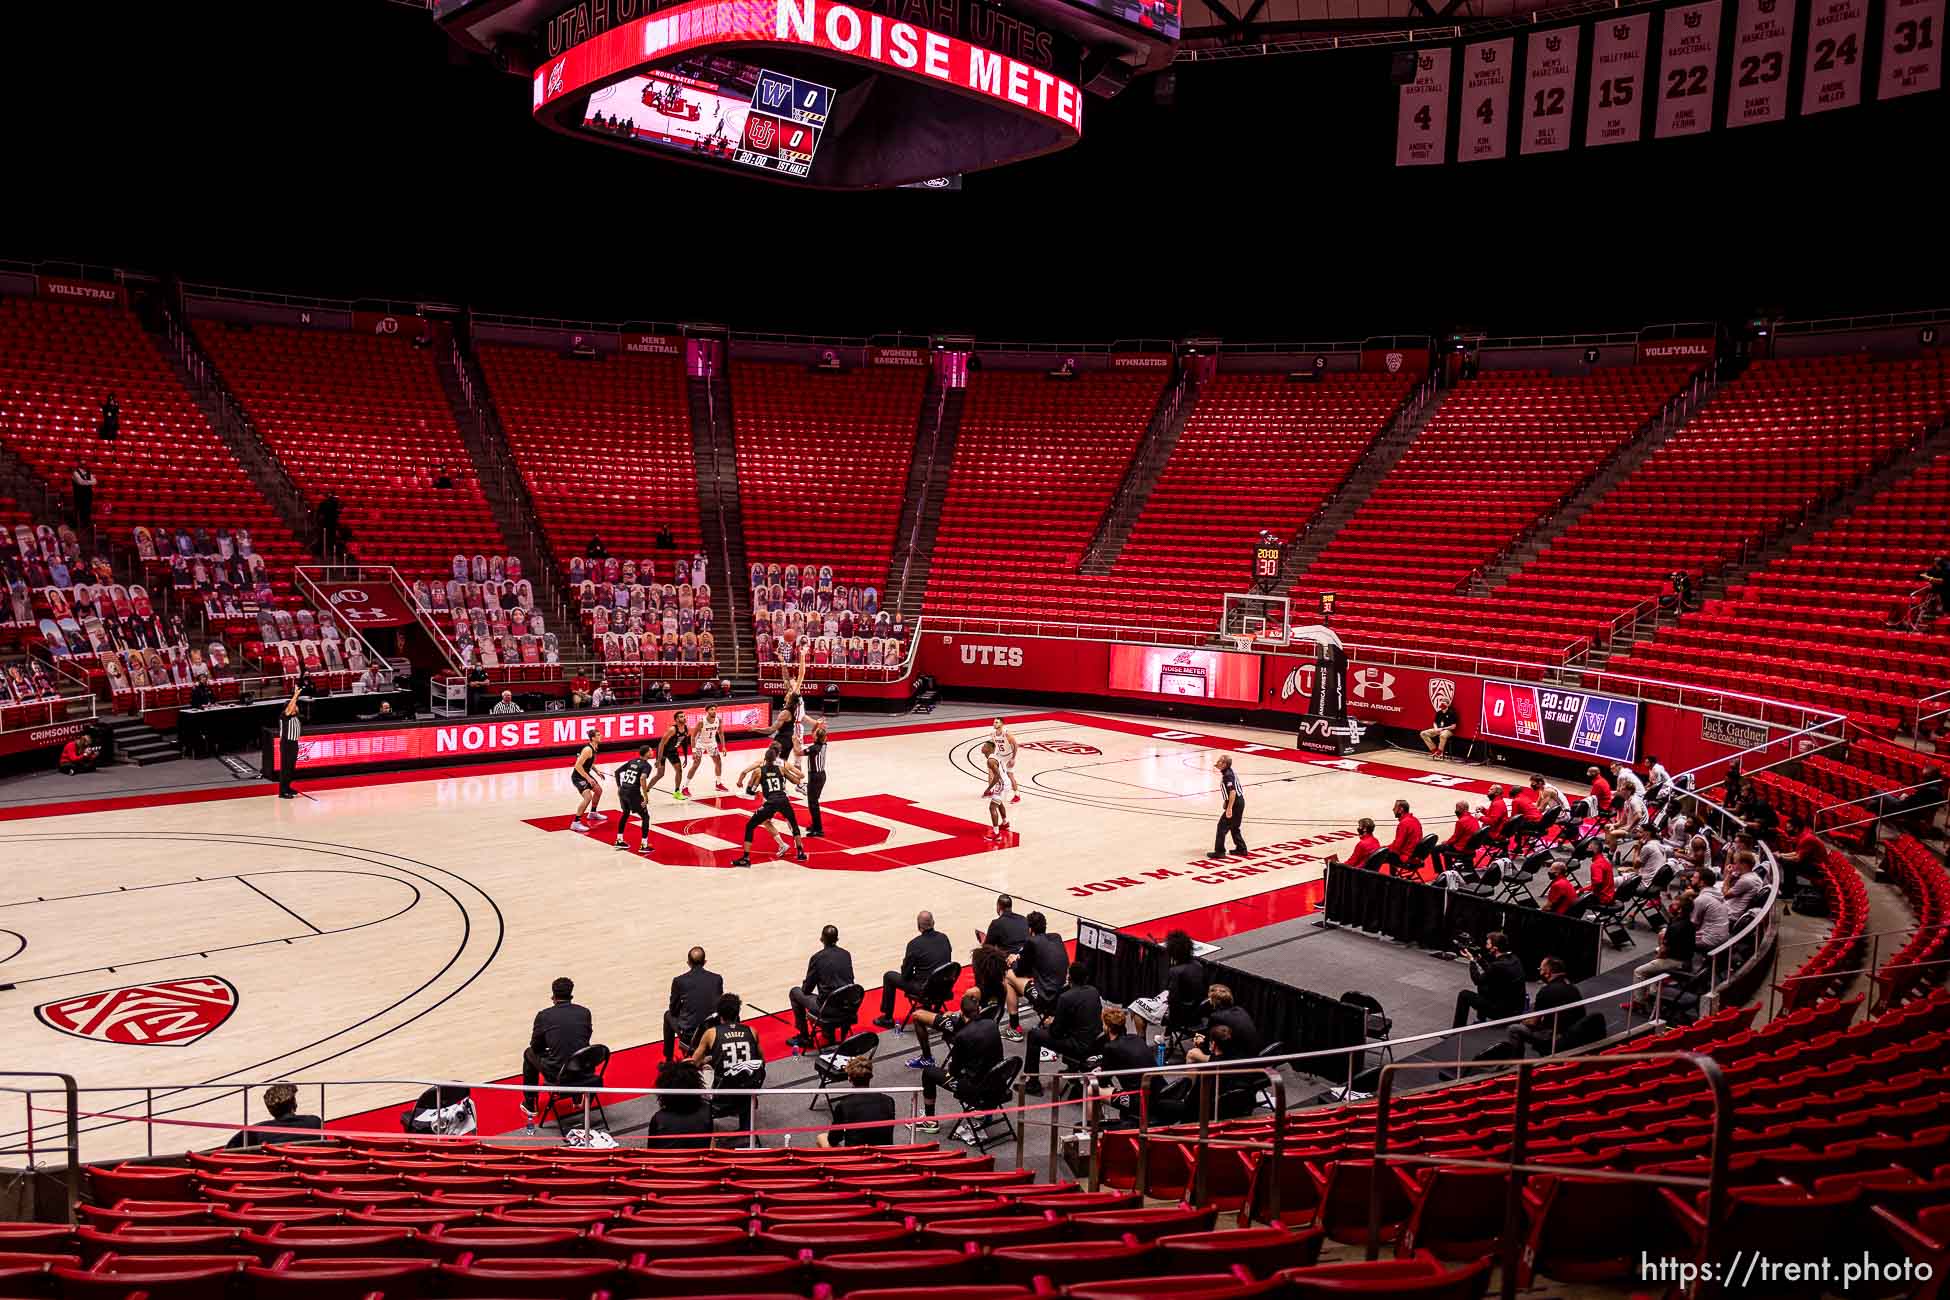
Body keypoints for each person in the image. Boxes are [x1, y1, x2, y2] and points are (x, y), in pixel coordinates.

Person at [915, 990, 1004, 1135]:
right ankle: (982, 1110)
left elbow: (954, 1071)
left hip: (974, 1089)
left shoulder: (962, 1036)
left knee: (929, 1073)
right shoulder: (992, 1024)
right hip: (996, 1083)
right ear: (980, 1010)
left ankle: (930, 1120)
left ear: (962, 1014)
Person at [520, 976, 592, 1133]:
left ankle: (530, 1102)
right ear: (571, 994)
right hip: (582, 1070)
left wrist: (550, 1045)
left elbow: (536, 1046)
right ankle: (577, 1095)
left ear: (553, 996)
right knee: (574, 1051)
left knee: (528, 1053)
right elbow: (584, 1038)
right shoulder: (585, 1012)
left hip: (558, 1074)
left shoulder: (544, 1016)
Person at [691, 993, 765, 1143]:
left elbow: (693, 1063)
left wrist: (706, 1061)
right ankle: (746, 1130)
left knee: (700, 1073)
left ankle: (701, 1133)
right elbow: (762, 1062)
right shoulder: (752, 1031)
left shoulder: (711, 1033)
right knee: (745, 1077)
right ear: (738, 1013)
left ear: (719, 1014)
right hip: (747, 1096)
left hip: (721, 1099)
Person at [1023, 962, 1104, 1094]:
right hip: (1095, 1042)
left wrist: (1050, 1024)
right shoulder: (1094, 992)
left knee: (1034, 1035)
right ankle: (1072, 1068)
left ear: (1069, 978)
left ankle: (1032, 1083)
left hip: (1078, 1046)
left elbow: (1056, 1033)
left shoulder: (1066, 998)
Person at [731, 744, 808, 866]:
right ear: (776, 757)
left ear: (765, 759)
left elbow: (750, 790)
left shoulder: (758, 771)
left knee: (750, 825)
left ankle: (746, 858)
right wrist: (797, 782)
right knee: (793, 825)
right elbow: (796, 780)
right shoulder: (782, 768)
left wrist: (755, 790)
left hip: (770, 802)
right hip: (783, 799)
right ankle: (800, 852)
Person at [874, 910, 952, 1029]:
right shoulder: (944, 938)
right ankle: (933, 1009)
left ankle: (887, 1018)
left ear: (918, 926)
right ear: (934, 922)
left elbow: (905, 975)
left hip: (925, 989)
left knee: (889, 976)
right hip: (944, 987)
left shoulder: (914, 944)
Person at [1003, 910, 1065, 1040]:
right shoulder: (1056, 937)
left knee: (1008, 976)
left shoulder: (1031, 942)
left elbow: (1019, 971)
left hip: (1046, 997)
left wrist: (1014, 960)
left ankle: (1014, 1027)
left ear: (1030, 929)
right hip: (1062, 992)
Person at [1629, 896, 1696, 1013]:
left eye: (1674, 905)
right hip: (1686, 959)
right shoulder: (1688, 923)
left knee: (1639, 971)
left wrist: (1656, 958)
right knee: (1652, 967)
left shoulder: (1675, 927)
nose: (1671, 906)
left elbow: (1663, 951)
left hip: (1676, 962)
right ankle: (1650, 994)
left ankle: (1638, 1003)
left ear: (1680, 909)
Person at [1512, 956, 1584, 1054]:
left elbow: (1533, 1023)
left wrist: (1523, 1020)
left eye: (1540, 970)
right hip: (1575, 1033)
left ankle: (1518, 1063)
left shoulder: (1545, 991)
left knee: (1513, 1029)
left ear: (1547, 973)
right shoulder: (1573, 988)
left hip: (1555, 1037)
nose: (1540, 972)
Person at [1452, 930, 1525, 1027]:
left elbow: (1477, 980)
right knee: (1484, 986)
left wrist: (1472, 961)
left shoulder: (1498, 965)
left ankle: (1456, 1030)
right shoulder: (1514, 959)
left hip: (1504, 1013)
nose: (1486, 946)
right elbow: (1492, 972)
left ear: (1495, 948)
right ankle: (1481, 1019)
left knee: (1464, 995)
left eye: (1488, 944)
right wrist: (1480, 960)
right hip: (1515, 1008)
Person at [663, 946, 723, 1061]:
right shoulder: (717, 979)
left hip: (690, 1035)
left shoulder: (679, 981)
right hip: (713, 1030)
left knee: (667, 1015)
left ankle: (668, 1059)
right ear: (705, 962)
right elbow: (718, 1005)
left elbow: (673, 1010)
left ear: (688, 963)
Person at [820, 1056, 896, 1147]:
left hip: (856, 1156)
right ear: (871, 1076)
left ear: (849, 1078)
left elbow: (833, 1140)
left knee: (821, 1137)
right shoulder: (888, 1100)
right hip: (884, 1153)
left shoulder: (844, 1105)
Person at [225, 1082, 322, 1148]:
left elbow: (230, 1148)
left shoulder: (258, 1131)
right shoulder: (314, 1122)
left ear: (270, 1110)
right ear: (294, 1104)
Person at [644, 1060, 714, 1149]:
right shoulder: (707, 1111)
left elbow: (651, 1152)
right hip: (699, 1161)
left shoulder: (658, 1119)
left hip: (670, 1162)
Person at [1185, 983, 1261, 1063]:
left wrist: (1200, 1042)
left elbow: (1210, 1046)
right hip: (1254, 1057)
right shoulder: (1240, 1010)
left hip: (1238, 1062)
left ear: (1213, 1001)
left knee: (1192, 1054)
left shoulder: (1216, 1017)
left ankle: (1190, 1076)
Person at [613, 741, 655, 853]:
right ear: (646, 753)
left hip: (623, 791)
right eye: (651, 750)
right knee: (645, 817)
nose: (652, 752)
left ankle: (619, 840)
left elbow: (617, 772)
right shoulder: (646, 765)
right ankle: (644, 845)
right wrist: (646, 797)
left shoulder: (632, 761)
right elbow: (642, 778)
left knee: (625, 813)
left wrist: (619, 786)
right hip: (633, 793)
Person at [1366, 800, 1423, 874]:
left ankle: (1370, 879)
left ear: (1401, 809)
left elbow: (1396, 847)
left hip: (1406, 857)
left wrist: (1382, 849)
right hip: (1415, 855)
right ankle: (1393, 877)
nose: (1393, 809)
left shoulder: (1404, 824)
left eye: (1395, 808)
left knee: (1376, 856)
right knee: (1387, 853)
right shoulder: (1415, 820)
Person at [645, 711, 690, 802]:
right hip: (663, 751)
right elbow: (661, 744)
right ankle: (646, 789)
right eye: (681, 717)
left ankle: (677, 792)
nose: (684, 718)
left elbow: (684, 743)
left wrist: (685, 757)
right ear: (676, 719)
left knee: (679, 770)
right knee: (660, 774)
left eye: (684, 716)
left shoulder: (686, 728)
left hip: (673, 751)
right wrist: (659, 759)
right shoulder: (672, 730)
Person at [685, 701, 728, 793]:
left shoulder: (718, 720)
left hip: (712, 743)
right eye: (712, 710)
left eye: (715, 710)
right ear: (707, 711)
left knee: (718, 763)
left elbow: (720, 733)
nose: (714, 711)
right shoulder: (701, 722)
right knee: (696, 765)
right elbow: (693, 736)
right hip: (700, 744)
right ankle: (685, 786)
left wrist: (723, 746)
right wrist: (693, 751)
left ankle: (718, 784)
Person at [567, 731, 604, 832]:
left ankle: (592, 813)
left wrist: (597, 771)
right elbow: (577, 765)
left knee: (598, 790)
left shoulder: (594, 747)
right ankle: (576, 823)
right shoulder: (588, 749)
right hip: (578, 777)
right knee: (588, 797)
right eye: (598, 735)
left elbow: (589, 762)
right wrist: (588, 778)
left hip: (585, 775)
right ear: (592, 738)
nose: (601, 736)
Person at [1213, 754, 1247, 857]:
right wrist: (1226, 801)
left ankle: (1219, 852)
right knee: (1234, 827)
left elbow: (1232, 792)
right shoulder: (1228, 771)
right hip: (1239, 802)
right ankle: (1241, 849)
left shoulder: (1228, 775)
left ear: (1224, 764)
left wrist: (1229, 808)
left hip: (1235, 804)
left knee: (1221, 827)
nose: (1217, 762)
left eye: (1219, 761)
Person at [980, 741, 1012, 841]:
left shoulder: (990, 761)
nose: (982, 747)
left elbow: (997, 776)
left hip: (1001, 784)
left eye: (984, 746)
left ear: (989, 749)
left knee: (992, 807)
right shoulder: (995, 757)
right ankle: (1005, 823)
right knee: (999, 802)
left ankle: (996, 834)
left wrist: (988, 789)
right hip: (1005, 782)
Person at [275, 684, 302, 799]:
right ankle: (282, 792)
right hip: (287, 744)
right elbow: (290, 707)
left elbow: (294, 708)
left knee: (291, 768)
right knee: (285, 768)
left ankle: (287, 787)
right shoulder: (284, 716)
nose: (296, 707)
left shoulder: (295, 716)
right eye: (294, 706)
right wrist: (295, 695)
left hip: (294, 744)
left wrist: (296, 698)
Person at [802, 718, 829, 836]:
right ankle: (815, 825)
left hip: (815, 776)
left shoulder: (814, 748)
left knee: (813, 803)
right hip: (821, 775)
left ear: (817, 737)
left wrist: (794, 742)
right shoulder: (823, 744)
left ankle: (818, 829)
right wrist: (817, 724)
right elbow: (814, 733)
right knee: (814, 801)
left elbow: (798, 752)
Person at [1438, 799, 1481, 870]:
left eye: (1457, 808)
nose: (1456, 810)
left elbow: (1455, 838)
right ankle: (1468, 867)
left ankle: (1443, 871)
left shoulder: (1461, 822)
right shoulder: (1473, 819)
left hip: (1462, 848)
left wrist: (1446, 842)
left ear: (1462, 809)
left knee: (1436, 849)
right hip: (1471, 848)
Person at [1691, 883, 1731, 949]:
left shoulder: (1701, 899)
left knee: (1678, 936)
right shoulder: (1718, 894)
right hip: (1724, 936)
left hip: (1709, 939)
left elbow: (1693, 923)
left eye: (1695, 877)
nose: (1691, 879)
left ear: (1702, 882)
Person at [990, 717, 1021, 804]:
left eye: (996, 722)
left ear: (1002, 724)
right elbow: (996, 745)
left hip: (1008, 757)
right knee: (994, 772)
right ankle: (996, 791)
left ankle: (1017, 795)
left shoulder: (1006, 734)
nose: (994, 724)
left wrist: (1013, 758)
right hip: (1000, 756)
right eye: (994, 722)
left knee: (1010, 775)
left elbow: (1015, 745)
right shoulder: (992, 734)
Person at [316, 491, 341, 557]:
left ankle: (330, 552)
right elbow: (319, 513)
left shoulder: (332, 503)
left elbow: (319, 513)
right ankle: (325, 551)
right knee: (327, 538)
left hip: (330, 523)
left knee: (330, 538)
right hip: (328, 523)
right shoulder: (333, 503)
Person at [71, 464, 96, 529]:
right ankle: (77, 525)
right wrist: (89, 482)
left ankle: (86, 525)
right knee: (79, 510)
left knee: (87, 510)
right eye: (83, 465)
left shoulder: (88, 473)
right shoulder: (75, 473)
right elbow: (80, 482)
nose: (85, 466)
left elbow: (95, 481)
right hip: (79, 494)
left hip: (88, 495)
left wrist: (86, 482)